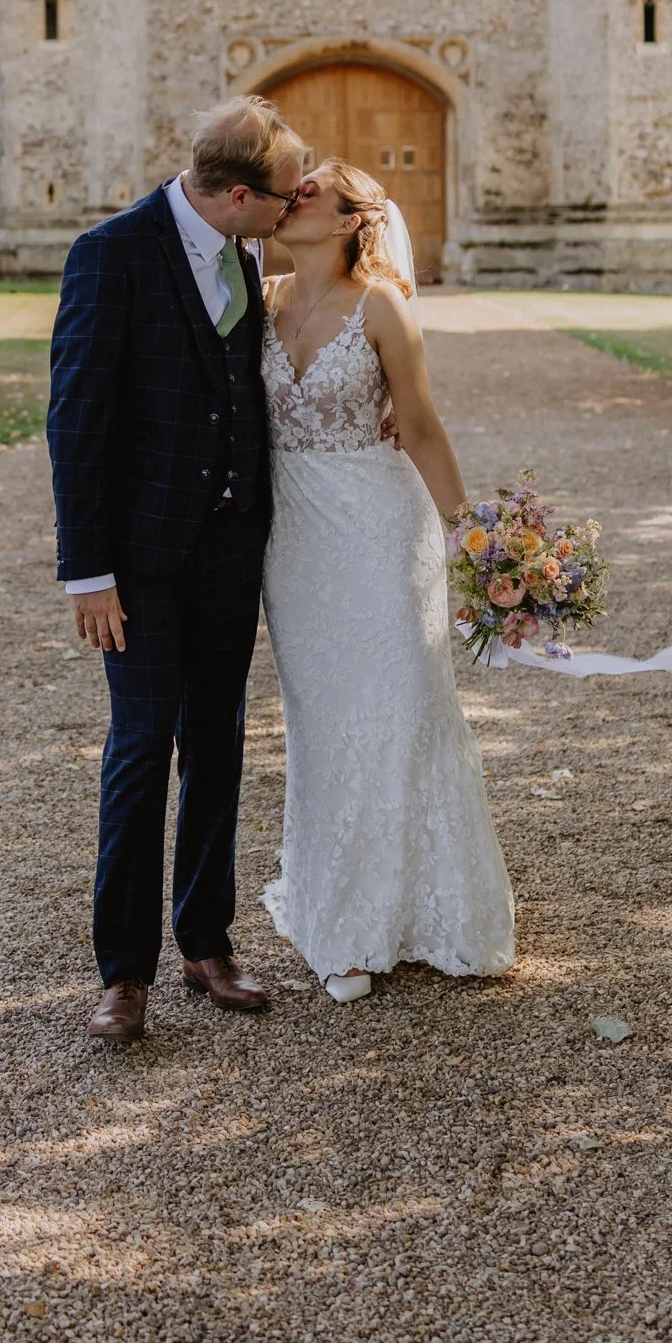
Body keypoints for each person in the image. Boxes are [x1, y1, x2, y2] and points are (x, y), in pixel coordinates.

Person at [47, 95, 307, 1045]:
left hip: (229, 557)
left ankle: (207, 941)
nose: (291, 211)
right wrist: (90, 573)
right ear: (239, 193)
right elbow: (75, 421)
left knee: (221, 745)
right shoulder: (110, 253)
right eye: (283, 197)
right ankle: (124, 972)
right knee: (140, 751)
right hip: (142, 563)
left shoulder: (243, 253)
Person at [260, 160, 514, 1000]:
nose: (287, 198)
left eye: (305, 193)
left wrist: (476, 540)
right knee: (324, 723)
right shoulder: (258, 300)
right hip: (295, 544)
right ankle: (340, 909)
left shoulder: (382, 308)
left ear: (345, 221)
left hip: (380, 527)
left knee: (404, 707)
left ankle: (411, 913)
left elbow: (424, 428)